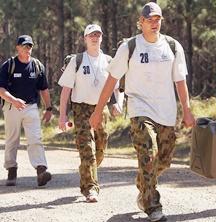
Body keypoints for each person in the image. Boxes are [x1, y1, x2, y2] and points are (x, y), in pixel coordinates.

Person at [89, 2, 195, 221]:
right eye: (149, 20)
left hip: (165, 111)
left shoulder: (173, 46)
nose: (154, 23)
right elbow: (112, 80)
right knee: (148, 155)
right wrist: (98, 110)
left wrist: (187, 110)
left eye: (157, 19)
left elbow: (180, 81)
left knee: (163, 160)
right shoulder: (130, 47)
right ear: (141, 23)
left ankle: (143, 185)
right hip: (139, 109)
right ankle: (153, 205)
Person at [58, 24, 122, 203]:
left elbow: (118, 88)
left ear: (101, 38)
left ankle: (87, 171)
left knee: (100, 150)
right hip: (81, 110)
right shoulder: (77, 60)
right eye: (91, 35)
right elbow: (65, 91)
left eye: (98, 35)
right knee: (87, 150)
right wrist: (63, 116)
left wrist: (118, 104)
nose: (94, 37)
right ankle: (90, 188)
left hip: (101, 110)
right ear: (85, 39)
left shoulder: (109, 61)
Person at [0, 35, 52, 187]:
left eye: (29, 46)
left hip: (31, 107)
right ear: (17, 47)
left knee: (35, 138)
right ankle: (11, 169)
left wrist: (49, 108)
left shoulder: (37, 65)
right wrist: (13, 100)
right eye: (24, 46)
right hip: (11, 107)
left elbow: (44, 89)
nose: (27, 49)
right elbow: (1, 89)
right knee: (12, 140)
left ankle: (41, 170)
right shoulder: (9, 65)